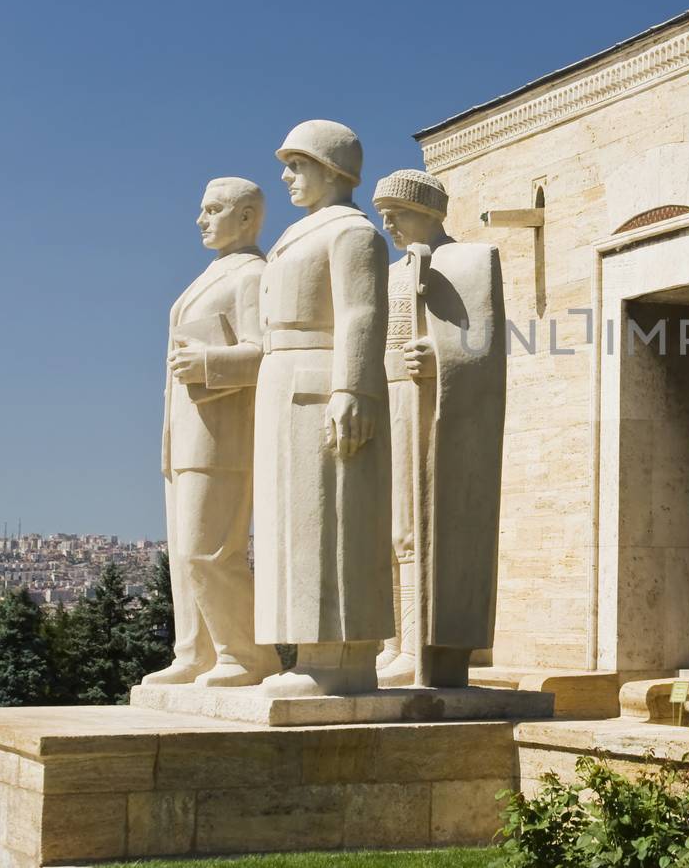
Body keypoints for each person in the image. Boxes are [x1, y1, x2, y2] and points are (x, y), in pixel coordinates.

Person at [252, 120, 393, 697]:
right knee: (292, 524)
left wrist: (352, 389)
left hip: (323, 380)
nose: (287, 177)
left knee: (331, 521)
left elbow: (362, 313)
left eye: (298, 164)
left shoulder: (353, 234)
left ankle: (339, 659)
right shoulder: (301, 233)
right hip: (283, 379)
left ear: (332, 169)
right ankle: (306, 652)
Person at [143, 177, 281, 688]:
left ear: (247, 216)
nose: (202, 219)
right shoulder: (211, 273)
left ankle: (246, 655)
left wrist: (206, 361)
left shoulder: (253, 276)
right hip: (185, 432)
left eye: (214, 209)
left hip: (223, 433)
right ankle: (196, 652)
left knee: (208, 549)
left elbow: (267, 351)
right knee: (184, 553)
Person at [373, 168, 506, 688]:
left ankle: (418, 644)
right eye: (383, 214)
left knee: (414, 525)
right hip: (388, 396)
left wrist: (439, 355)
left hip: (427, 402)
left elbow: (486, 343)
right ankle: (391, 644)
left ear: (426, 210)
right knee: (387, 527)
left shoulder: (469, 260)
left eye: (397, 213)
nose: (388, 224)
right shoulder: (389, 272)